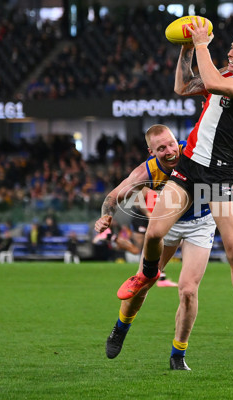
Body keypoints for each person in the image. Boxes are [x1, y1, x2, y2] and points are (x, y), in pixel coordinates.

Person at [116, 20, 233, 361]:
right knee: (154, 231)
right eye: (229, 47)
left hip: (220, 177)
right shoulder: (224, 75)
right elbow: (183, 86)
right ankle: (145, 273)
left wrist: (201, 43)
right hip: (189, 167)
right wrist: (187, 49)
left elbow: (212, 80)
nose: (230, 53)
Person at [95, 124, 216, 370]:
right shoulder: (146, 172)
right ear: (151, 151)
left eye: (172, 143)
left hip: (201, 223)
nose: (170, 151)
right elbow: (114, 196)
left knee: (189, 291)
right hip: (167, 222)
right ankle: (120, 328)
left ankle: (178, 356)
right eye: (161, 148)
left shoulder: (193, 152)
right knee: (143, 283)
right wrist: (106, 215)